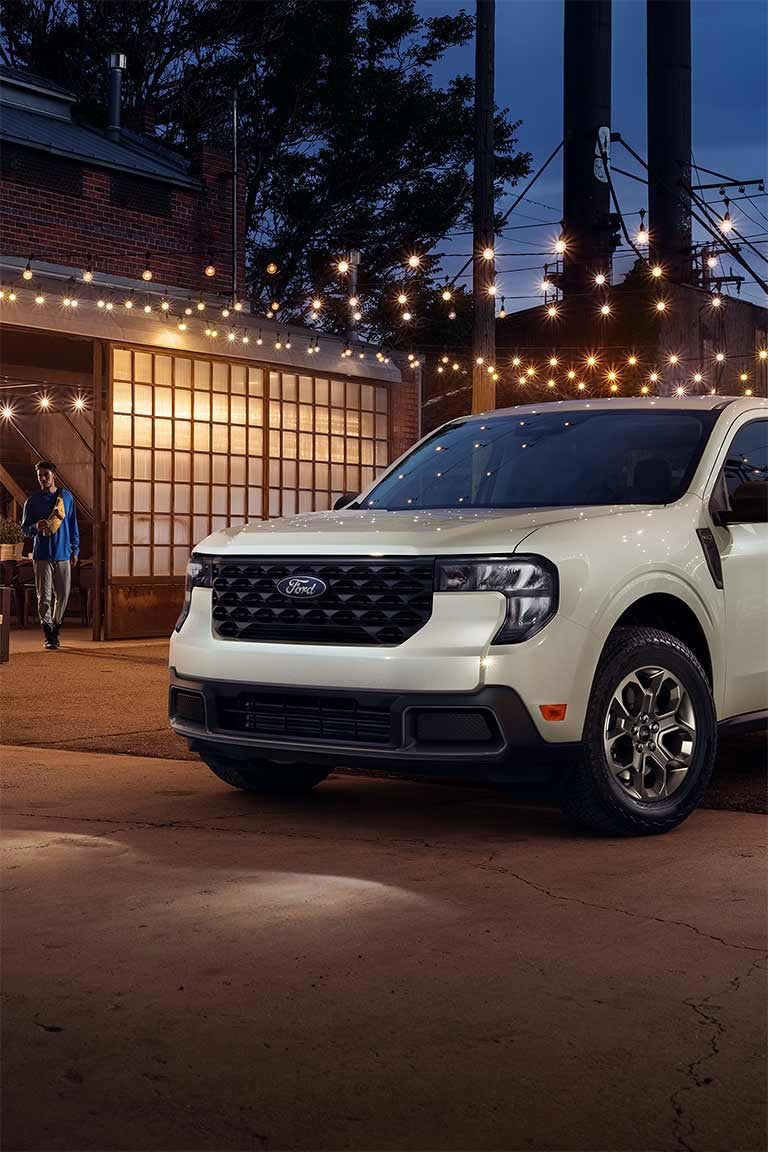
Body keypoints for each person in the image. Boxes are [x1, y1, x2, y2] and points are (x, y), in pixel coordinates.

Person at [21, 460, 79, 649]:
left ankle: (55, 625)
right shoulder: (32, 501)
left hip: (63, 553)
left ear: (54, 475)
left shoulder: (67, 498)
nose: (43, 479)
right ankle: (49, 633)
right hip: (42, 555)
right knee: (44, 596)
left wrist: (75, 549)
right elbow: (24, 529)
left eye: (46, 475)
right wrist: (35, 527)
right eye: (40, 476)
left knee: (63, 593)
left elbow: (72, 525)